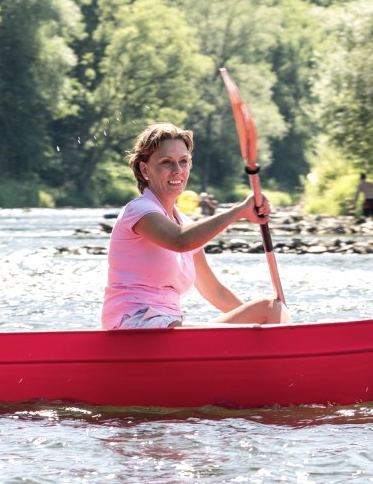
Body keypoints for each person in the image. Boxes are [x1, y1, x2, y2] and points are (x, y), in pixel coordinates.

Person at [102, 123, 289, 330]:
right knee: (266, 309)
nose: (177, 170)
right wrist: (240, 211)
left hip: (169, 325)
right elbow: (180, 240)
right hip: (133, 323)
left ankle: (287, 349)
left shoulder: (185, 224)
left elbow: (215, 292)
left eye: (183, 161)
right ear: (144, 169)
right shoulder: (138, 211)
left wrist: (256, 323)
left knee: (270, 308)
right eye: (166, 162)